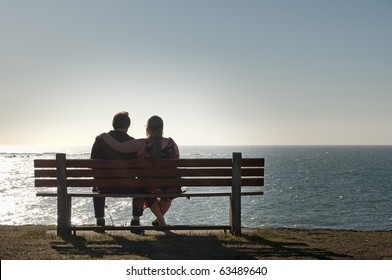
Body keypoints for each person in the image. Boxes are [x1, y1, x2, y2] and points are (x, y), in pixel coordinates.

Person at [97, 115, 182, 227]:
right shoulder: (172, 143)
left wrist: (104, 136)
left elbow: (119, 147)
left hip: (148, 187)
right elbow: (176, 162)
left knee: (147, 190)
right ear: (162, 128)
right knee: (166, 195)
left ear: (148, 128)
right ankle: (160, 221)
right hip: (170, 186)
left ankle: (161, 221)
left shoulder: (142, 143)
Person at [91, 111, 145, 234]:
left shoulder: (100, 141)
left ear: (113, 124)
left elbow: (92, 166)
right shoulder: (133, 142)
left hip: (104, 187)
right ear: (128, 126)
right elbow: (139, 169)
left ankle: (100, 221)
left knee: (95, 185)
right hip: (128, 187)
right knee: (140, 184)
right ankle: (135, 221)